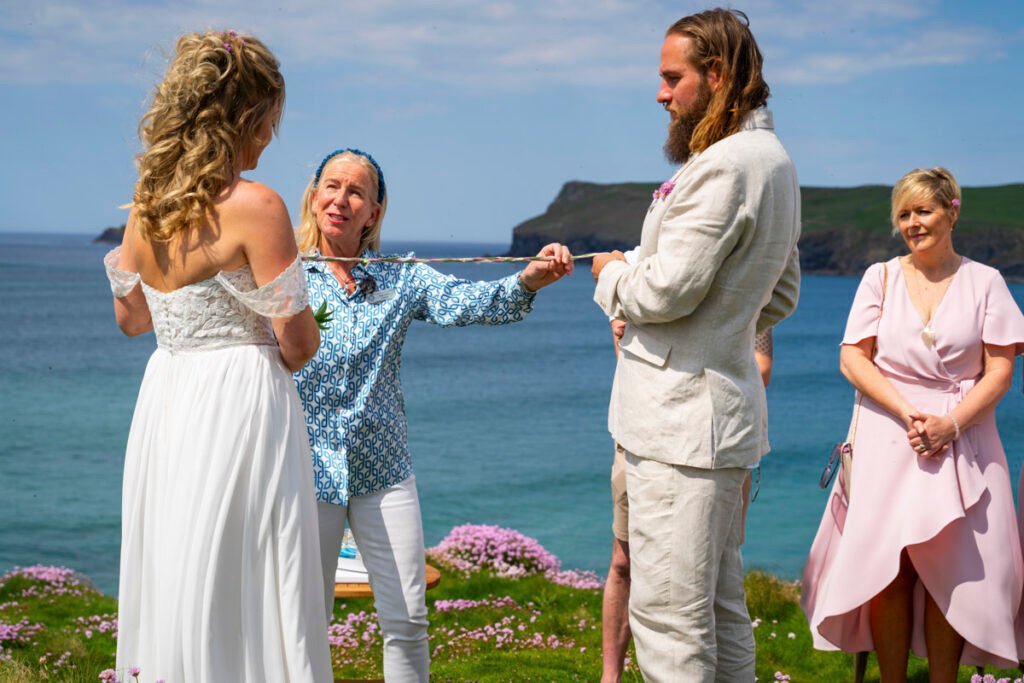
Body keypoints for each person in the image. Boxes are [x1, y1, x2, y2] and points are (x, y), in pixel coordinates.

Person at [291, 147, 573, 682]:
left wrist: (530, 280)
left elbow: (473, 303)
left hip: (385, 473)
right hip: (307, 473)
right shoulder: (284, 274)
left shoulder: (404, 278)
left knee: (408, 618)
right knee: (306, 621)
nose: (340, 200)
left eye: (356, 192)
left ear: (374, 212)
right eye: (331, 187)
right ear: (313, 197)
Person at [103, 31, 332, 681]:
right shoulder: (256, 206)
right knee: (249, 567)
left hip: (169, 398)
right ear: (244, 120)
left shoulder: (147, 209)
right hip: (239, 401)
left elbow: (132, 319)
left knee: (181, 559)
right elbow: (298, 339)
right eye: (266, 125)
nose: (267, 142)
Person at [591, 9, 801, 681]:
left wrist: (611, 275)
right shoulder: (776, 162)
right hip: (721, 419)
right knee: (720, 608)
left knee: (668, 623)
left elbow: (663, 292)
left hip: (679, 428)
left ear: (717, 75)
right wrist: (725, 317)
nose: (661, 93)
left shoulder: (725, 165)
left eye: (672, 77)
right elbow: (783, 292)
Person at [801, 167, 1024, 681]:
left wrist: (951, 424)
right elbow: (853, 360)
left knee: (953, 570)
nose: (913, 223)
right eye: (903, 214)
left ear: (952, 210)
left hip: (964, 437)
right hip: (889, 435)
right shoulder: (877, 276)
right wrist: (907, 413)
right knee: (889, 570)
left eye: (923, 210)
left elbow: (1001, 371)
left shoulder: (986, 281)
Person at [601, 305, 774, 683]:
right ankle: (610, 675)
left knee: (710, 577)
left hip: (707, 439)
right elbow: (630, 360)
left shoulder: (725, 283)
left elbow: (761, 365)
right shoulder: (638, 275)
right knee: (623, 561)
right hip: (638, 433)